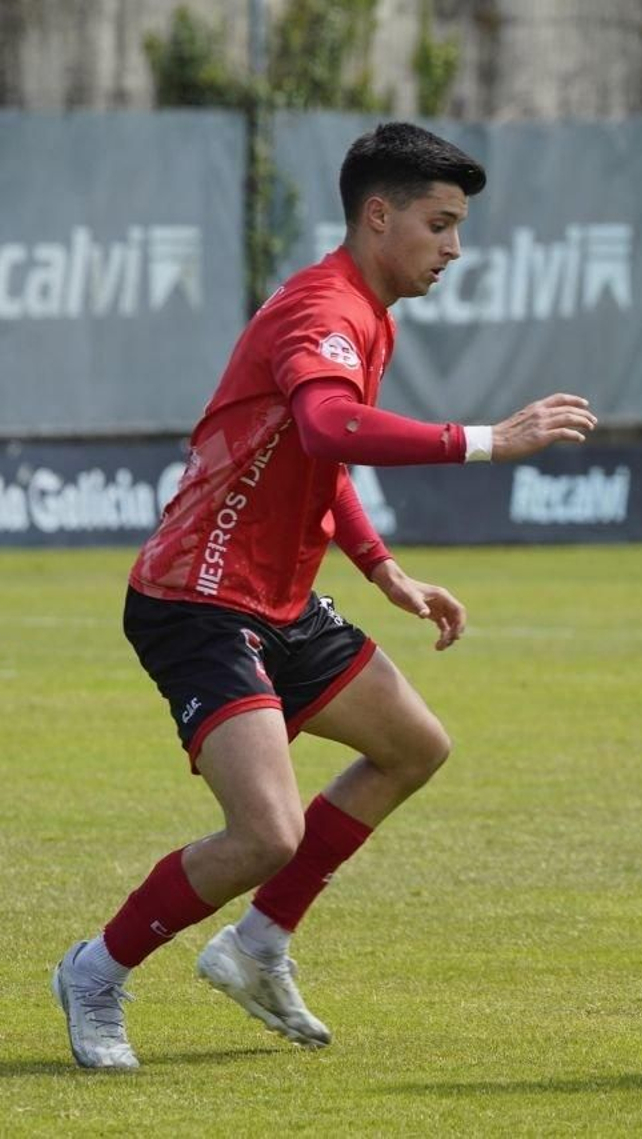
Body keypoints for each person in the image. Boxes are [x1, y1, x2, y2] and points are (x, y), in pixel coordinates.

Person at [51, 122, 599, 1070]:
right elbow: (329, 420)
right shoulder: (325, 311)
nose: (454, 248)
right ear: (378, 216)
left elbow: (316, 453)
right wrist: (486, 440)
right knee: (267, 829)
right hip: (198, 598)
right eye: (440, 224)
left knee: (413, 744)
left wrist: (384, 569)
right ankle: (96, 969)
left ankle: (257, 945)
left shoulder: (369, 313)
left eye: (459, 226)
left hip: (278, 598)